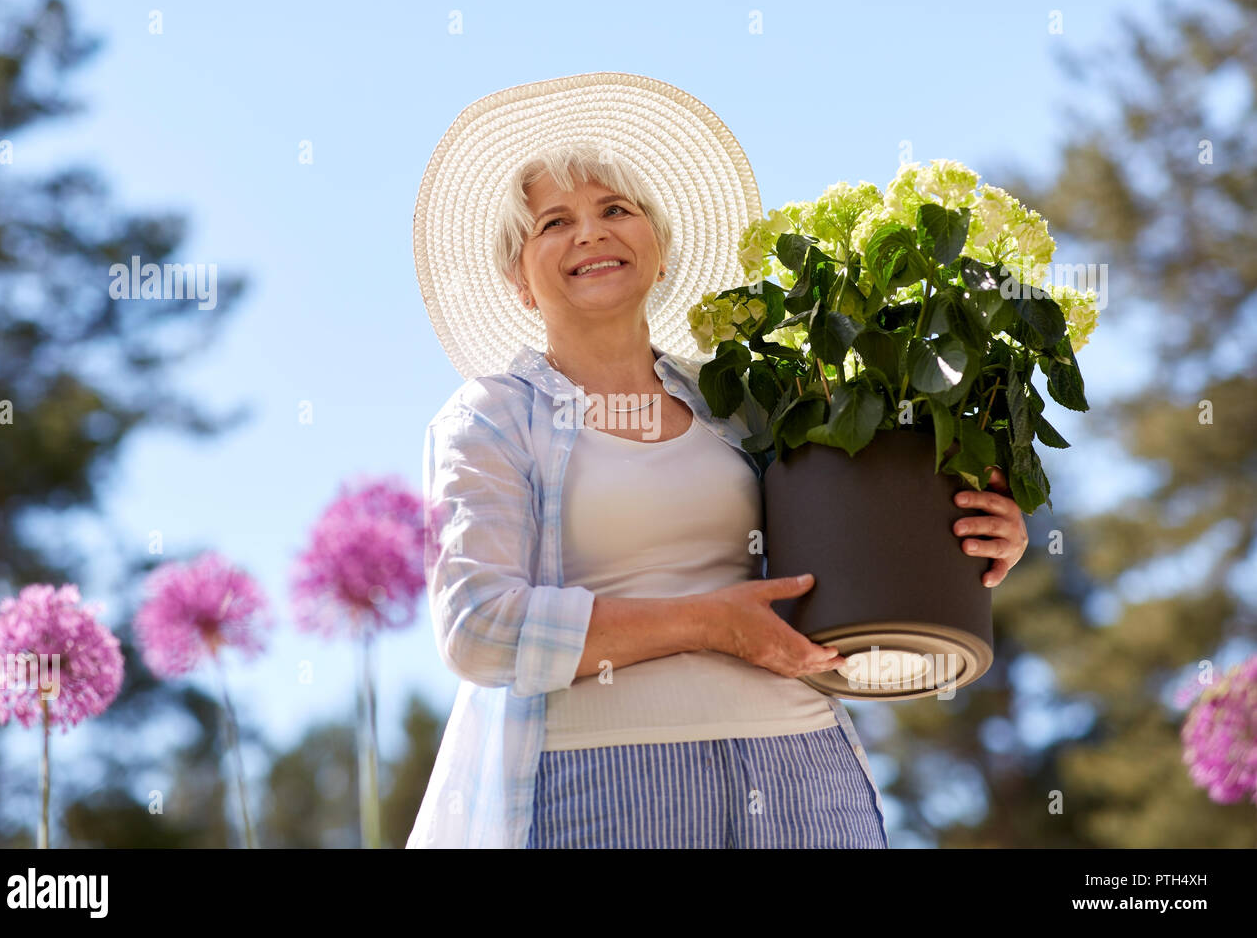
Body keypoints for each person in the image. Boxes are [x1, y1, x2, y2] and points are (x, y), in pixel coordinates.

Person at [407, 75, 1026, 848]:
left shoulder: (747, 401)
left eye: (616, 210)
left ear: (659, 251)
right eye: (553, 222)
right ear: (519, 280)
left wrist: (977, 532)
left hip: (805, 769)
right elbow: (479, 629)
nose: (590, 233)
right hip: (602, 785)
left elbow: (856, 546)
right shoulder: (490, 418)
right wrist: (708, 624)